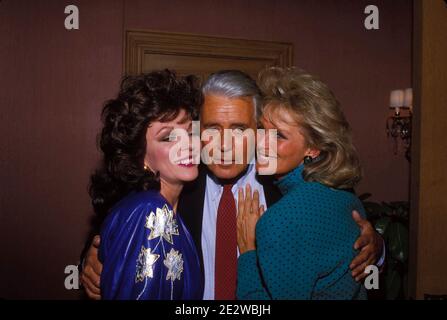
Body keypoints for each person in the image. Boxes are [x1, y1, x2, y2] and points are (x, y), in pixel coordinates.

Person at [80, 70, 384, 300]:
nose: (224, 145)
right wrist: (93, 259)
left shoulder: (294, 188)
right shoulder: (172, 183)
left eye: (239, 129)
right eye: (213, 129)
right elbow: (117, 231)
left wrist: (376, 248)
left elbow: (344, 229)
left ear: (259, 130)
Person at [237, 67, 369, 299]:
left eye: (279, 135)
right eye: (261, 129)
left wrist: (248, 252)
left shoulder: (281, 220)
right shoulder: (346, 199)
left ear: (313, 147)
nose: (261, 143)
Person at [89, 70, 203, 299]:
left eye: (191, 132)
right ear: (140, 154)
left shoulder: (161, 208)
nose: (187, 145)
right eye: (168, 137)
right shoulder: (151, 211)